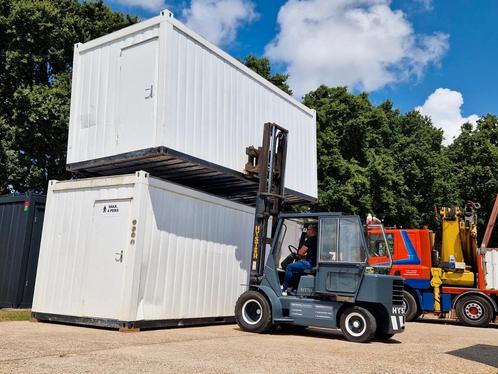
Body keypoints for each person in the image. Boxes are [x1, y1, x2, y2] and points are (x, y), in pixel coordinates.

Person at [282, 225, 318, 293]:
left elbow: (300, 252)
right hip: (314, 263)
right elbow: (313, 253)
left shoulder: (310, 240)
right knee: (297, 267)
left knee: (289, 267)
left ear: (312, 230)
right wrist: (303, 258)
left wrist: (299, 255)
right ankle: (295, 288)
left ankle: (285, 287)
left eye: (308, 230)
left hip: (309, 264)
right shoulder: (318, 240)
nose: (307, 232)